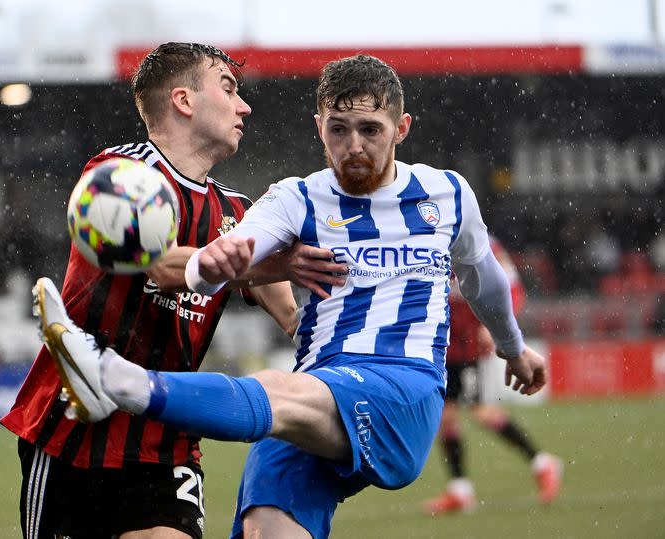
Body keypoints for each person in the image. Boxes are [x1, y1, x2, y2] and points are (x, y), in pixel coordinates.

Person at [34, 54, 548, 539]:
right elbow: (231, 251)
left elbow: (484, 278)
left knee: (276, 390)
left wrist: (513, 347)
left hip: (400, 388)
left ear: (402, 128)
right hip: (314, 392)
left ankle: (112, 379)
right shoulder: (294, 197)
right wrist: (209, 266)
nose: (354, 146)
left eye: (371, 130)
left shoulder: (448, 193)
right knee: (265, 523)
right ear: (318, 126)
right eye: (338, 130)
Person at [0, 42, 343, 539]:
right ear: (184, 100)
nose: (244, 105)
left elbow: (294, 318)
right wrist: (263, 262)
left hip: (166, 437)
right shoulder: (120, 172)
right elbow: (159, 265)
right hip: (72, 431)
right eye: (228, 89)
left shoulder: (237, 213)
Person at [422, 235, 562, 515]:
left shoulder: (483, 242)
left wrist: (494, 324)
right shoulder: (427, 236)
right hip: (443, 343)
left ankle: (542, 462)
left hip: (469, 345)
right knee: (446, 414)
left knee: (480, 411)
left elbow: (510, 287)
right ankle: (461, 491)